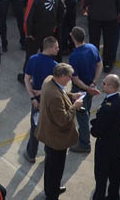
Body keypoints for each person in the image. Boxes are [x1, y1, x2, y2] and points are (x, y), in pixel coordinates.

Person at [36, 62, 82, 200]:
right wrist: (75, 107)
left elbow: (61, 92)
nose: (70, 79)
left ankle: (51, 189)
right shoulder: (55, 96)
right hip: (56, 138)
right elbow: (63, 120)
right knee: (55, 169)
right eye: (69, 76)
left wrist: (71, 95)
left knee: (50, 165)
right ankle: (52, 194)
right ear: (61, 76)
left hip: (48, 133)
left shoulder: (49, 80)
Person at [91, 74, 120, 200]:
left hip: (105, 146)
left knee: (101, 177)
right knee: (115, 175)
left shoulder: (107, 108)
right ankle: (113, 196)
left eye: (104, 83)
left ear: (111, 87)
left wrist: (93, 127)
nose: (102, 84)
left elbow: (97, 131)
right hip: (116, 143)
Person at [68, 25, 103, 153]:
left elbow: (75, 79)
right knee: (86, 111)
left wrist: (87, 88)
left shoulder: (74, 56)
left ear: (72, 38)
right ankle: (83, 134)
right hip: (90, 87)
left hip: (80, 90)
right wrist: (93, 83)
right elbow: (99, 64)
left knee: (82, 115)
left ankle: (84, 144)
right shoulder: (92, 47)